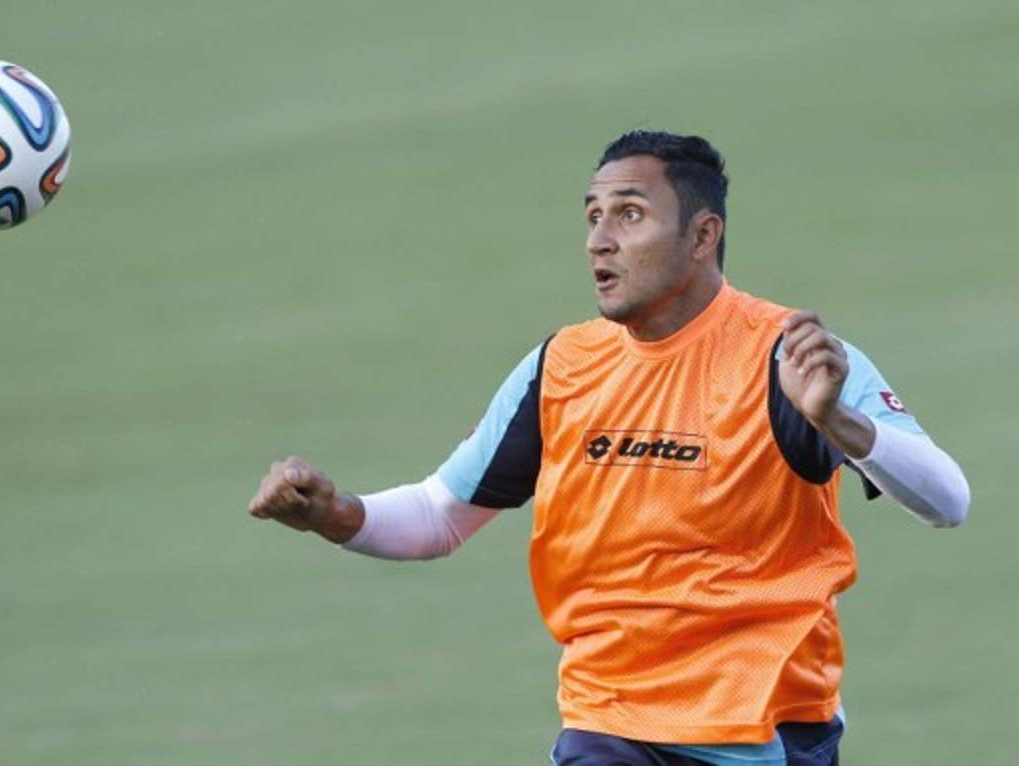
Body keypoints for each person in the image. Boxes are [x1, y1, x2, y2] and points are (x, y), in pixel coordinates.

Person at [247, 130, 970, 766]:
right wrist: (332, 514)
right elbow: (439, 515)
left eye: (629, 214)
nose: (600, 239)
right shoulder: (561, 367)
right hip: (608, 720)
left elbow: (948, 500)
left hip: (766, 727)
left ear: (702, 235)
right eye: (593, 216)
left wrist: (841, 423)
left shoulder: (791, 359)